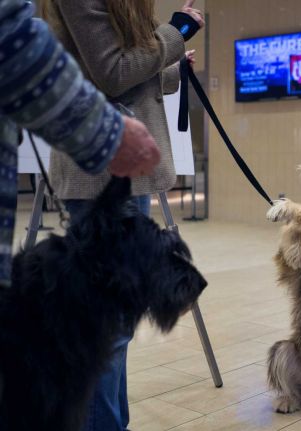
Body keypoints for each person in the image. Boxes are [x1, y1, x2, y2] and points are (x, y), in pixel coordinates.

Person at [40, 1, 204, 429]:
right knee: (107, 328)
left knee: (116, 325)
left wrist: (171, 60)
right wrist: (175, 33)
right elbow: (112, 73)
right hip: (102, 175)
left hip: (122, 172)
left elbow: (128, 73)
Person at [0, 0, 160, 287]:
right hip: (99, 171)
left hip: (114, 167)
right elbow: (14, 43)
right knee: (109, 300)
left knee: (116, 299)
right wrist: (106, 132)